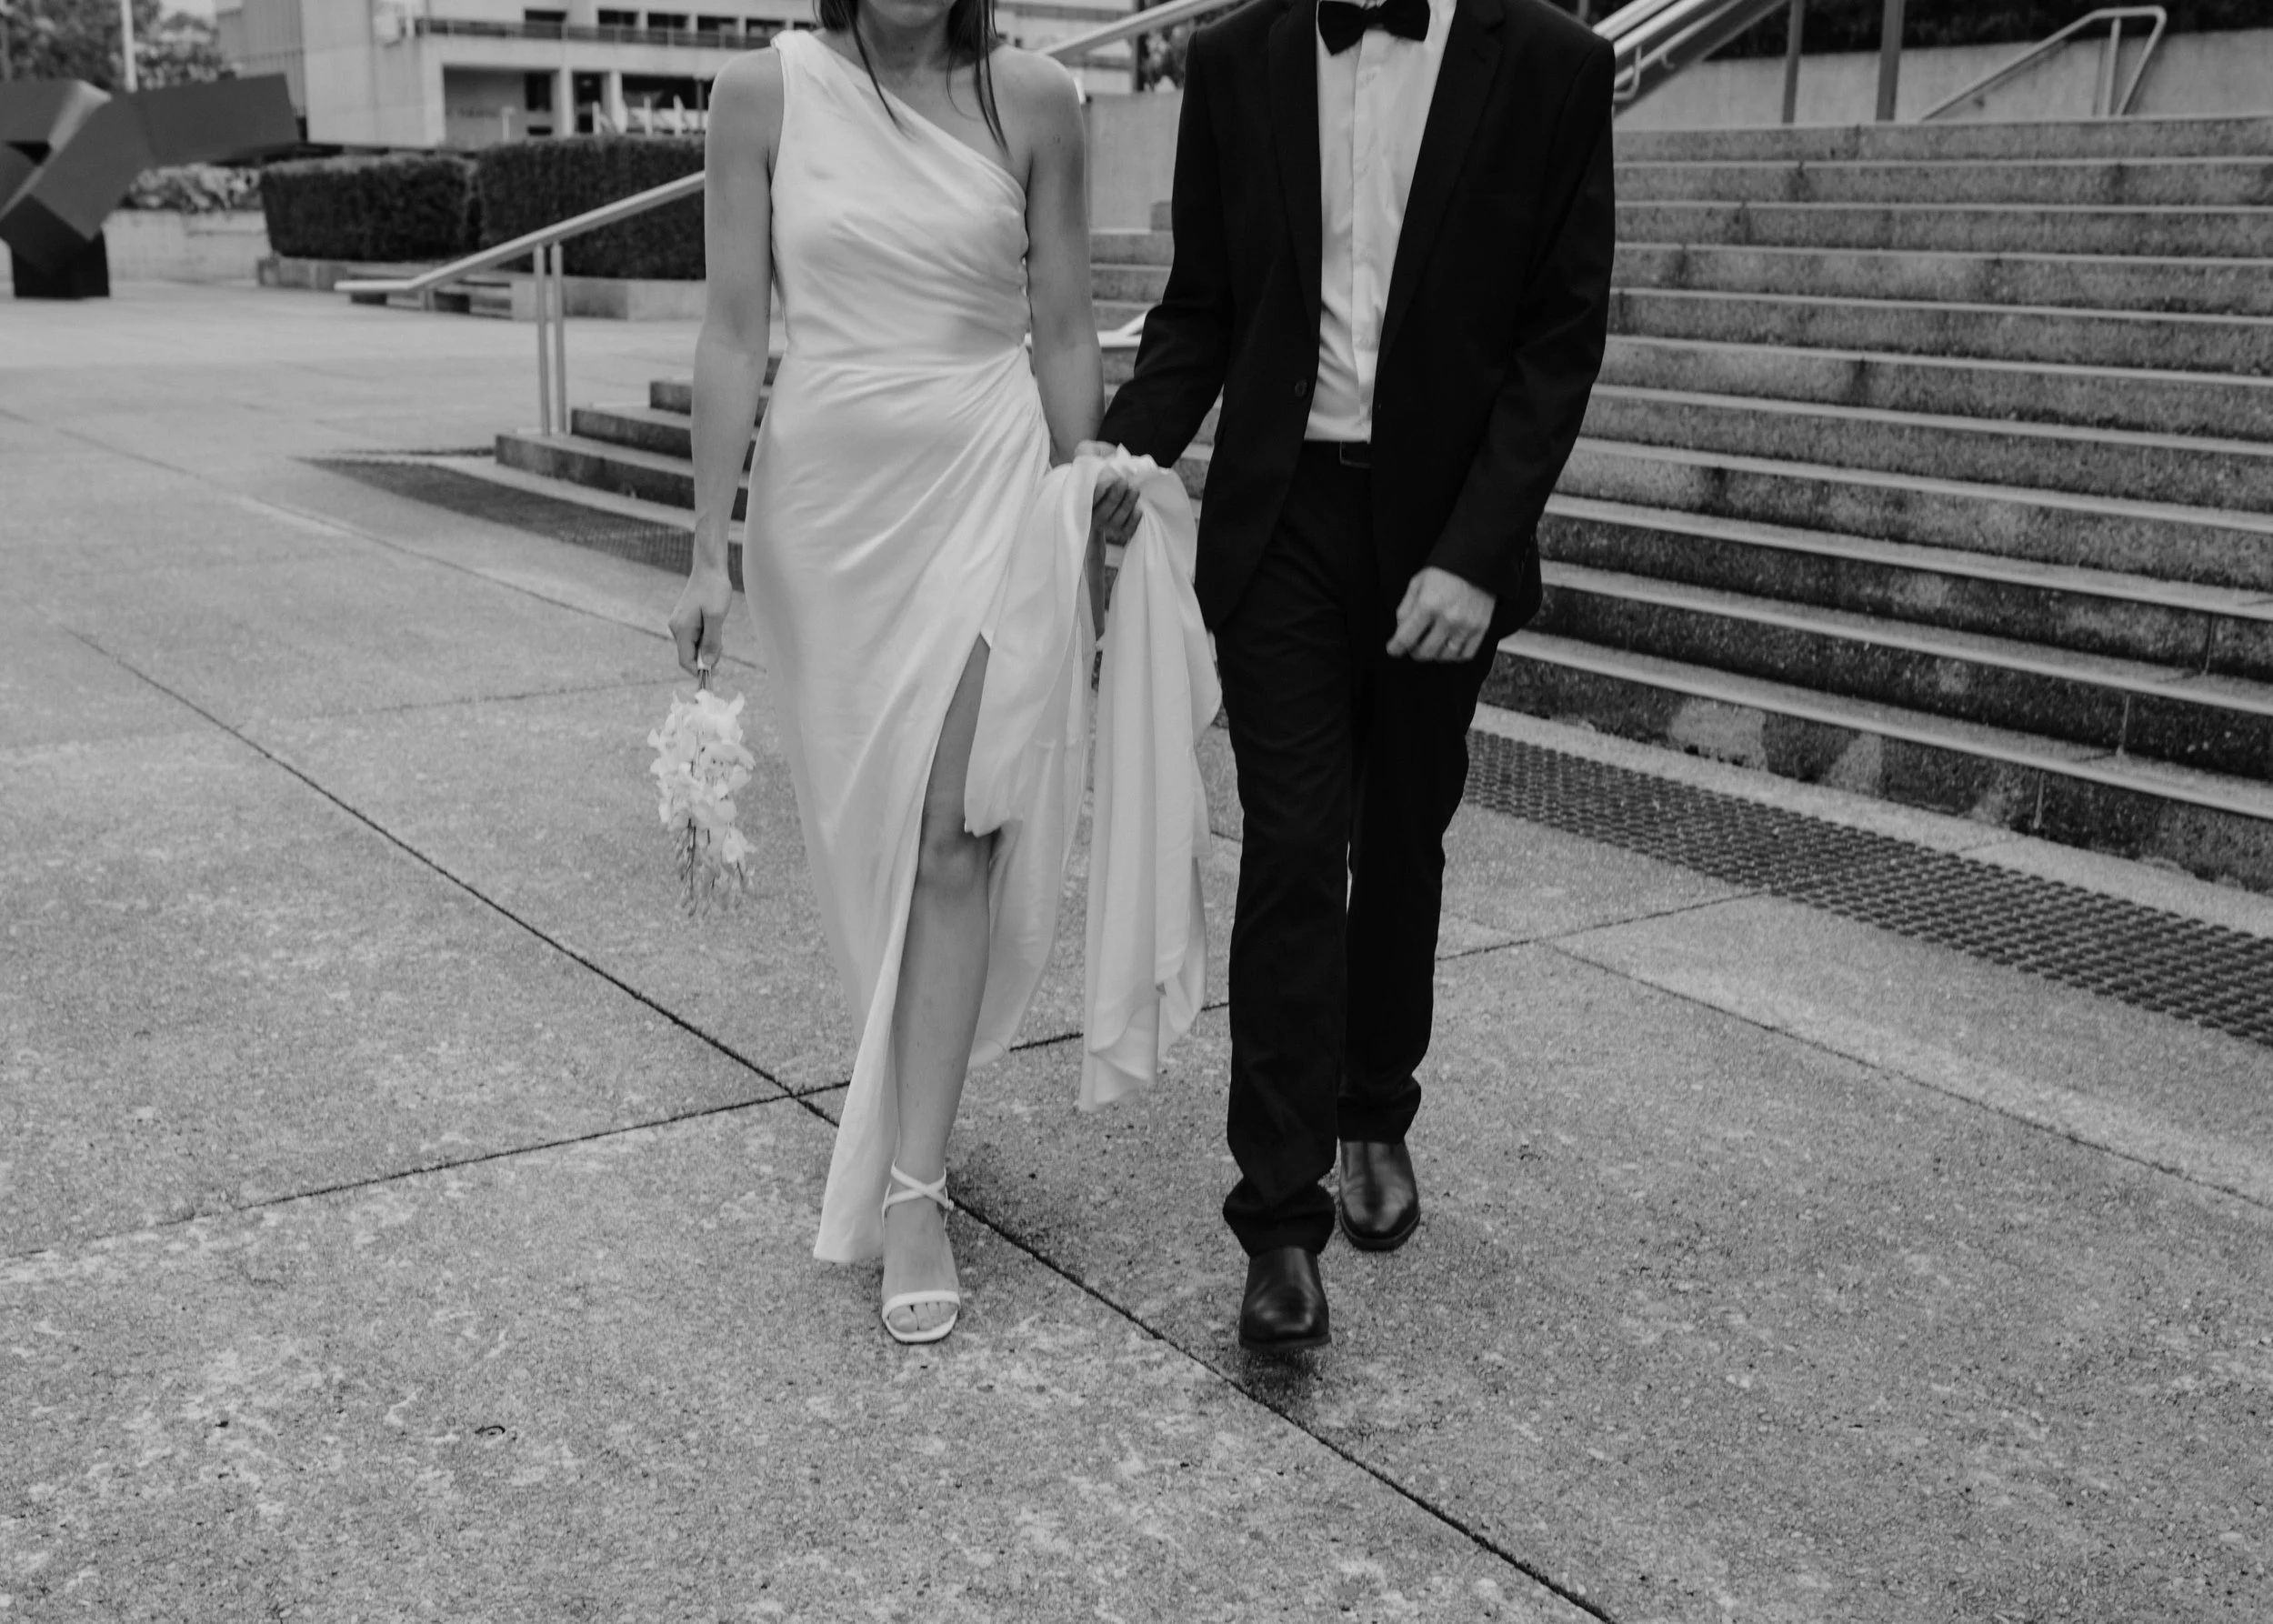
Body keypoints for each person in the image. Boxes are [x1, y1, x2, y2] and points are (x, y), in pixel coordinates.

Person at [1086, 0, 1616, 1351]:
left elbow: (1559, 339)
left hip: (1445, 524)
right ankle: (1276, 1216)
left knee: (1404, 835)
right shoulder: (1239, 58)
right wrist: (1115, 462)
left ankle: (1376, 1102)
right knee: (1293, 845)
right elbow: (1200, 305)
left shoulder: (1553, 63)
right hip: (1285, 520)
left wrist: (1478, 555)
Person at [667, 0, 1136, 1344]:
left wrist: (1078, 505)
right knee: (871, 846)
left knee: (954, 828)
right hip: (829, 515)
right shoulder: (761, 91)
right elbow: (731, 327)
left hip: (989, 481)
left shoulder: (1039, 100)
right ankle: (915, 1069)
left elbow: (1060, 324)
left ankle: (915, 1186)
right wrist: (707, 548)